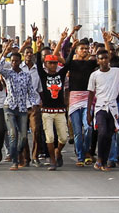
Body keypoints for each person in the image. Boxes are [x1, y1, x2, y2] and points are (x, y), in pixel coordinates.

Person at [87, 46, 119, 171]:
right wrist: (89, 112)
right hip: (100, 108)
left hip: (113, 108)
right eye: (101, 58)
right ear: (98, 61)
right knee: (102, 132)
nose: (104, 60)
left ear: (109, 59)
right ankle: (100, 159)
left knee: (109, 135)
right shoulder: (94, 75)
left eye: (105, 58)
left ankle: (103, 161)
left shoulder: (117, 72)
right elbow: (91, 94)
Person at [35, 29, 70, 170]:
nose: (53, 65)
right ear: (46, 65)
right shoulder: (44, 76)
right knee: (49, 137)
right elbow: (38, 65)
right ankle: (53, 160)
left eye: (55, 63)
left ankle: (57, 151)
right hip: (47, 112)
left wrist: (70, 47)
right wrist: (38, 50)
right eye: (50, 63)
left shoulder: (61, 75)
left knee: (63, 138)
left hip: (60, 110)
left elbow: (67, 64)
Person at [65, 34, 98, 167]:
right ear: (77, 51)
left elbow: (106, 58)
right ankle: (80, 156)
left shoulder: (91, 63)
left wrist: (106, 42)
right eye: (82, 49)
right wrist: (71, 47)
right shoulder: (72, 64)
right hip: (74, 100)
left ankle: (86, 152)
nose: (84, 51)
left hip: (87, 99)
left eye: (86, 49)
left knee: (88, 128)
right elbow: (65, 62)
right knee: (78, 132)